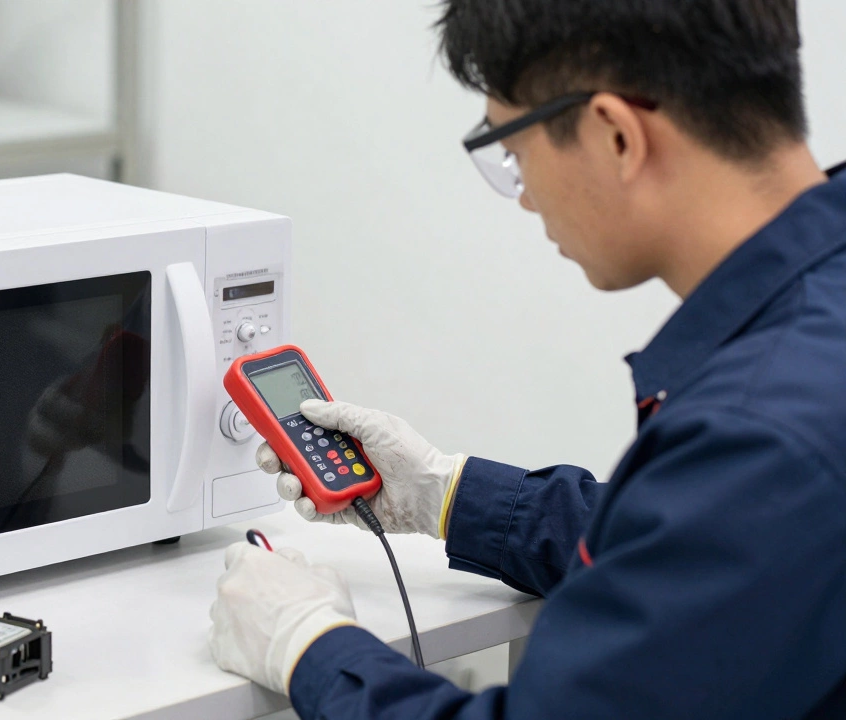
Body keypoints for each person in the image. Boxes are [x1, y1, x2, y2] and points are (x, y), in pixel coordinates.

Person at [207, 1, 846, 717]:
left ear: (615, 135)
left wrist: (310, 647)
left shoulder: (763, 431)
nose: (524, 198)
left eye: (513, 151)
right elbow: (713, 554)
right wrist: (447, 493)